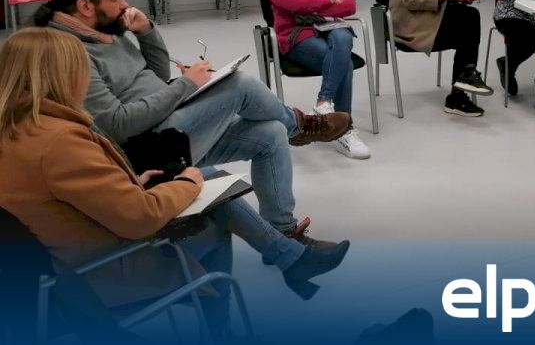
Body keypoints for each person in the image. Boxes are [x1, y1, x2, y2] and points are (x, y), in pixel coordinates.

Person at [0, 29, 351, 336]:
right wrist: (185, 185)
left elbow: (68, 194)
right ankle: (225, 328)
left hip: (57, 265)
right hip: (103, 271)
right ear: (62, 76)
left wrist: (130, 182)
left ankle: (289, 258)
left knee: (215, 175)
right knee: (214, 216)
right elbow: (138, 217)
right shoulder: (60, 142)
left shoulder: (19, 130)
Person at [33, 0, 348, 247]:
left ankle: (284, 231)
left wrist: (146, 32)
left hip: (170, 124)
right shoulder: (68, 51)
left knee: (271, 133)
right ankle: (301, 126)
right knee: (240, 85)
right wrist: (186, 85)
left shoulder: (104, 28)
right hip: (146, 146)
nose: (125, 4)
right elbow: (117, 124)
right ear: (85, 6)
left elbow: (155, 76)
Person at [265, 0, 370, 159]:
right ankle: (345, 128)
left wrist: (314, 4)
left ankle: (324, 103)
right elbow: (290, 2)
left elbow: (350, 5)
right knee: (344, 63)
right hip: (297, 34)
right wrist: (327, 1)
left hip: (331, 28)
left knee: (343, 35)